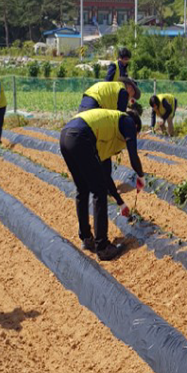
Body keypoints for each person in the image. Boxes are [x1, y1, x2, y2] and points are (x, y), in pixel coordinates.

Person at [60, 104, 145, 261]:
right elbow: (134, 155)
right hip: (80, 136)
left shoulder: (106, 131)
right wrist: (141, 176)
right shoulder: (127, 121)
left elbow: (105, 176)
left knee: (83, 188)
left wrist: (121, 203)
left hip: (65, 136)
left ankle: (87, 238)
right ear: (135, 127)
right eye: (135, 133)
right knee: (98, 192)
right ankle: (103, 247)